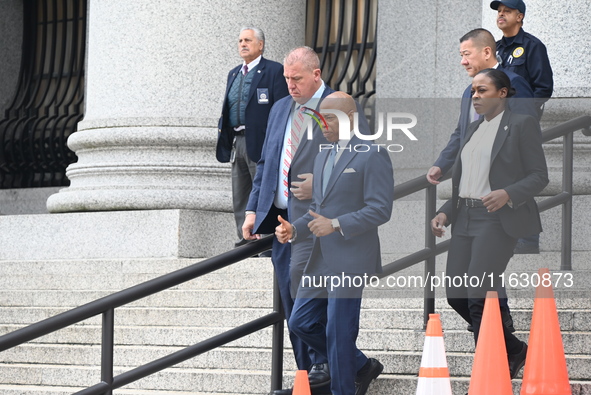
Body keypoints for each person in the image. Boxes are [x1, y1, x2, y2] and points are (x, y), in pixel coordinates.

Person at [430, 69, 548, 379]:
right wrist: (445, 212)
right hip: (465, 218)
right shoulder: (471, 130)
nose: (476, 96)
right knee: (456, 294)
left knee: (478, 296)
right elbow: (467, 182)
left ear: (503, 93)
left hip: (497, 220)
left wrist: (508, 193)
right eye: (473, 91)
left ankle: (490, 372)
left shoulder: (521, 125)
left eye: (482, 90)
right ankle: (514, 349)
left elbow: (539, 176)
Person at [275, 92, 394, 395]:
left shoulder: (373, 153)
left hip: (351, 257)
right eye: (319, 117)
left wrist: (338, 225)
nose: (321, 123)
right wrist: (295, 230)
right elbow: (319, 211)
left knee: (338, 333)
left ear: (350, 118)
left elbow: (380, 209)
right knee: (301, 322)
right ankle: (362, 366)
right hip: (319, 258)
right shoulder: (322, 154)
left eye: (328, 117)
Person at [242, 46, 333, 394]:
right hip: (281, 226)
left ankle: (334, 367)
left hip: (316, 226)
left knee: (309, 312)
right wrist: (254, 209)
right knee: (292, 307)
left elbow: (359, 163)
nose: (290, 85)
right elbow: (266, 163)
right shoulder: (281, 108)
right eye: (286, 79)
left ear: (316, 74)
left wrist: (320, 183)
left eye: (297, 79)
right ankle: (308, 377)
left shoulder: (338, 107)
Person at [217, 27, 289, 247]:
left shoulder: (274, 71)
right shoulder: (234, 73)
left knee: (264, 192)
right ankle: (245, 241)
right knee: (240, 194)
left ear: (261, 44)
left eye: (248, 40)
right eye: (240, 40)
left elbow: (283, 108)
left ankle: (265, 241)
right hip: (237, 141)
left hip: (263, 142)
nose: (242, 44)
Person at [491, 0, 553, 119]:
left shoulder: (533, 45)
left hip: (519, 120)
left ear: (519, 17)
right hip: (495, 118)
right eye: (499, 11)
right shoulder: (495, 47)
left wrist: (522, 112)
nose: (501, 14)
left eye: (507, 11)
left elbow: (543, 88)